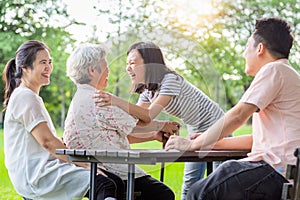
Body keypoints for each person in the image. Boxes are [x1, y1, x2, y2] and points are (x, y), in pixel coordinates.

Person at [165, 17, 300, 199]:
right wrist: (209, 141)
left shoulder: (274, 70)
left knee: (198, 193)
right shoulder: (289, 75)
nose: (244, 54)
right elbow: (258, 140)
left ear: (260, 49)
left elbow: (238, 115)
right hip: (285, 174)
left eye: (246, 47)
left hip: (276, 171)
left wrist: (193, 144)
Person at [94, 41, 226, 199]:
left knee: (221, 182)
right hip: (195, 130)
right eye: (127, 63)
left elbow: (149, 114)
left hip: (218, 125)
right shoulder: (148, 90)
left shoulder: (171, 80)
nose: (128, 67)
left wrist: (116, 100)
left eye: (133, 63)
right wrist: (156, 129)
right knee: (190, 181)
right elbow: (137, 122)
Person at [2, 40, 118, 200]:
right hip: (38, 175)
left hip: (37, 171)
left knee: (112, 181)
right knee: (104, 183)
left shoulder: (28, 96)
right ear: (25, 68)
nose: (49, 67)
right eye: (43, 62)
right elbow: (47, 142)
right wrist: (84, 165)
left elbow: (46, 140)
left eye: (50, 62)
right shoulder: (25, 96)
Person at [64, 43, 177, 200]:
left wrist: (153, 135)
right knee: (163, 194)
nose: (108, 71)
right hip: (110, 168)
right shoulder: (99, 100)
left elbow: (119, 133)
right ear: (92, 70)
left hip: (96, 166)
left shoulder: (80, 99)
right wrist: (164, 125)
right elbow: (138, 124)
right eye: (105, 66)